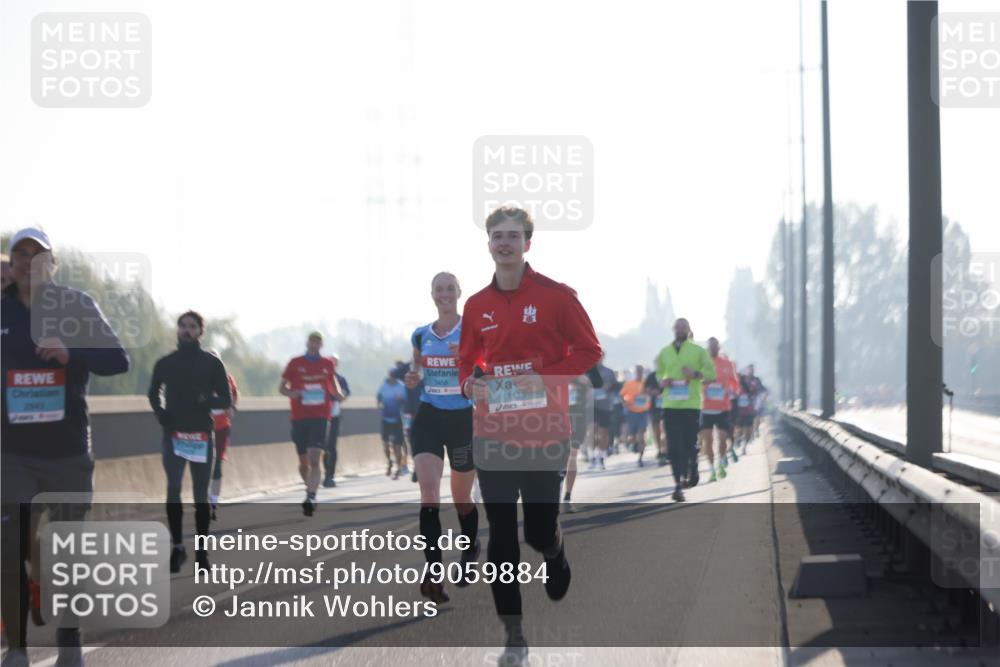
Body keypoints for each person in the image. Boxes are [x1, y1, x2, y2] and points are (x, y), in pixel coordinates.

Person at [458, 207, 602, 667]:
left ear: (527, 243)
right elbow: (467, 361)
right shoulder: (475, 305)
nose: (504, 243)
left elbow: (590, 350)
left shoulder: (557, 296)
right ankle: (515, 636)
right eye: (497, 236)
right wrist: (470, 385)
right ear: (488, 243)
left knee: (538, 532)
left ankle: (554, 553)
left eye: (513, 236)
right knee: (501, 538)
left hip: (546, 433)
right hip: (493, 433)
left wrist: (545, 378)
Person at [2, 228, 130, 667]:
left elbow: (118, 360)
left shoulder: (76, 306)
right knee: (10, 545)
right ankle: (17, 648)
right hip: (11, 454)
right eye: (20, 253)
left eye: (37, 254)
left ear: (52, 264)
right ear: (12, 262)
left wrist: (70, 352)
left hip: (67, 451)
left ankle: (69, 638)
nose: (28, 261)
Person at [404, 272, 480, 604]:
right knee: (429, 494)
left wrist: (468, 359)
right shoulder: (421, 334)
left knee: (461, 498)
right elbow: (416, 368)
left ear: (459, 293)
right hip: (429, 418)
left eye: (450, 289)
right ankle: (434, 571)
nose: (445, 294)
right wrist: (413, 377)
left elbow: (490, 365)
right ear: (432, 294)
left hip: (462, 419)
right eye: (439, 289)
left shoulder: (472, 331)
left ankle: (470, 547)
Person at [149, 311, 232, 572]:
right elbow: (153, 392)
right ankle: (177, 547)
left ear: (200, 332)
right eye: (183, 326)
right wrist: (160, 412)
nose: (187, 330)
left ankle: (202, 553)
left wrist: (207, 400)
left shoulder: (212, 363)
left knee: (200, 495)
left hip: (201, 435)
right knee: (173, 489)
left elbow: (226, 399)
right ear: (178, 330)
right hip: (174, 434)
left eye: (192, 326)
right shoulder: (166, 363)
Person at [278, 332, 342, 517]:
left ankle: (311, 496)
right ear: (307, 343)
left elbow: (333, 383)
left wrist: (338, 394)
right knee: (303, 462)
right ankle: (309, 488)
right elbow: (281, 387)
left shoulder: (327, 363)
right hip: (299, 417)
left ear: (321, 345)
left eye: (317, 341)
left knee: (315, 458)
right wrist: (292, 393)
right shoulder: (295, 363)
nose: (314, 344)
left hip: (321, 416)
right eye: (312, 341)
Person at [655, 318, 715, 501]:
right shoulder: (665, 352)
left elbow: (711, 375)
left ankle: (693, 467)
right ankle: (677, 485)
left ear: (689, 330)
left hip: (691, 405)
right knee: (674, 446)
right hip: (670, 405)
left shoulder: (698, 351)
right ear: (673, 329)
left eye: (684, 327)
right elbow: (658, 373)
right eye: (678, 327)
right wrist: (662, 381)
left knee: (689, 443)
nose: (680, 330)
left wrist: (695, 374)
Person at [698, 338, 740, 482]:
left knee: (722, 439)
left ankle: (721, 461)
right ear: (707, 348)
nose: (713, 349)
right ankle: (712, 469)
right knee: (708, 441)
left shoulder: (727, 364)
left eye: (715, 346)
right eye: (710, 346)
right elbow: (695, 381)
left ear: (719, 347)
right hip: (705, 408)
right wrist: (703, 385)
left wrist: (732, 390)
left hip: (723, 407)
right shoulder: (702, 364)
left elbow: (735, 383)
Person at [562, 366, 601, 513]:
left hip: (577, 417)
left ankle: (567, 497)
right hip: (554, 418)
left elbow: (598, 382)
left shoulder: (585, 364)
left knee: (571, 456)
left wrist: (583, 378)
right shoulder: (553, 361)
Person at [209, 371, 239, 520]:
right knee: (205, 463)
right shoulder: (199, 375)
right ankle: (204, 497)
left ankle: (214, 500)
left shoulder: (227, 377)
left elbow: (234, 395)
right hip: (203, 427)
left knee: (218, 463)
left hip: (222, 427)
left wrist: (232, 407)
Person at [323, 356, 350, 488]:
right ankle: (325, 472)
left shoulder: (340, 379)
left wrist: (340, 395)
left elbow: (345, 393)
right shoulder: (321, 377)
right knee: (322, 447)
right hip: (321, 415)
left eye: (334, 363)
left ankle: (330, 475)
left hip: (334, 415)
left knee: (331, 446)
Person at [376, 369, 407, 479]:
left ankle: (398, 468)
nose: (392, 378)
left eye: (394, 376)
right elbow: (379, 397)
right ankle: (389, 461)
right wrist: (379, 403)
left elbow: (406, 401)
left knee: (397, 446)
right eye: (391, 376)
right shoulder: (384, 385)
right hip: (386, 419)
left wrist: (401, 399)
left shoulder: (401, 386)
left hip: (398, 419)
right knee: (385, 444)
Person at [620, 365, 651, 466]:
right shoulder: (629, 384)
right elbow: (621, 395)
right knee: (632, 436)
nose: (639, 373)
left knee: (641, 434)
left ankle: (640, 458)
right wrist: (625, 403)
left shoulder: (646, 383)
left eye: (641, 371)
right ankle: (635, 444)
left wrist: (648, 394)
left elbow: (651, 394)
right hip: (632, 412)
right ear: (635, 372)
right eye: (637, 371)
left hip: (643, 411)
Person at [589, 357, 616, 470]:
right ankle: (592, 457)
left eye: (600, 357)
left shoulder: (609, 372)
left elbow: (616, 386)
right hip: (590, 406)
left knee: (603, 432)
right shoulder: (587, 371)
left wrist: (608, 386)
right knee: (592, 431)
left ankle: (601, 457)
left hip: (605, 406)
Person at [643, 367, 666, 465]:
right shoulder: (651, 376)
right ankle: (660, 450)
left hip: (668, 406)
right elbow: (645, 390)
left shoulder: (670, 373)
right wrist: (652, 392)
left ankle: (665, 450)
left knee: (665, 428)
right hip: (654, 407)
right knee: (656, 430)